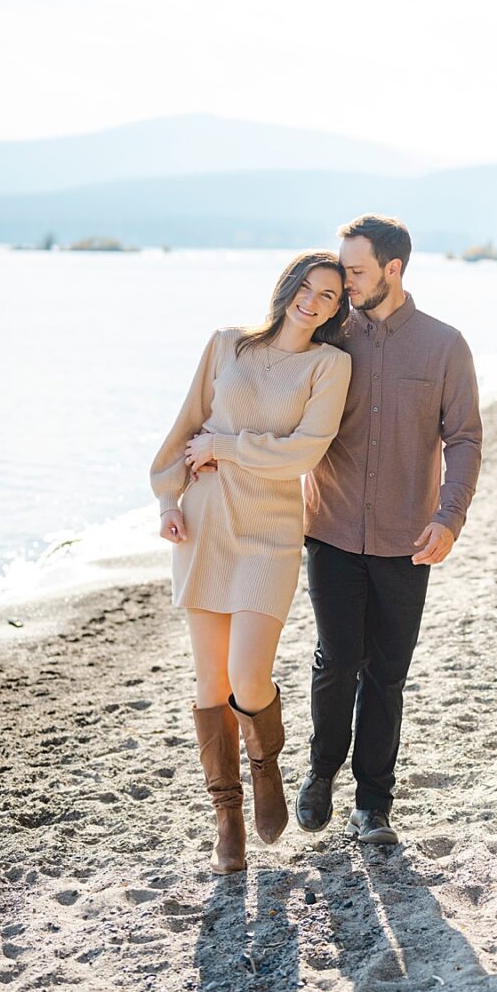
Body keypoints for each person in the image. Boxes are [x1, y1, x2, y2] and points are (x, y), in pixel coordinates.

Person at [149, 251, 351, 874]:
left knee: (248, 678)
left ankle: (266, 770)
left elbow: (301, 455)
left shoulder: (329, 366)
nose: (313, 301)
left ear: (337, 309)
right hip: (205, 523)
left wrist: (226, 448)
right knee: (210, 684)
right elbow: (187, 426)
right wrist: (167, 498)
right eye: (307, 287)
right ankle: (227, 818)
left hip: (270, 530)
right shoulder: (227, 344)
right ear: (287, 286)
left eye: (329, 295)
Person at [298, 213, 482, 846]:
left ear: (393, 270)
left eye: (355, 271)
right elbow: (270, 393)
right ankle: (321, 772)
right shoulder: (327, 335)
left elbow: (464, 438)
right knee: (337, 659)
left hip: (408, 537)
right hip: (330, 527)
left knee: (386, 673)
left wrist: (449, 517)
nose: (343, 282)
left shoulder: (444, 345)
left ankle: (373, 804)